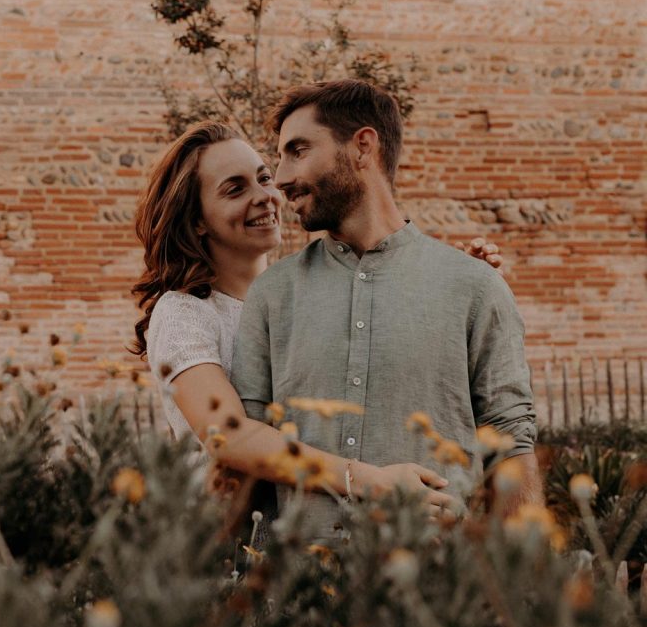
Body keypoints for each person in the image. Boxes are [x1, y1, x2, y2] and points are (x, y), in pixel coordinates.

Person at [131, 120, 504, 514]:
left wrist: (458, 290)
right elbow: (228, 434)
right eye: (235, 189)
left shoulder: (301, 294)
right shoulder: (184, 314)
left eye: (263, 178)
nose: (265, 196)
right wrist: (367, 482)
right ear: (196, 220)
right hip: (224, 540)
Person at [230, 80, 542, 540]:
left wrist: (526, 583)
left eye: (297, 151)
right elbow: (247, 454)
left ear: (363, 146)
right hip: (302, 597)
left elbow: (510, 443)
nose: (281, 177)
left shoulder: (475, 286)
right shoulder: (272, 295)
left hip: (435, 588)